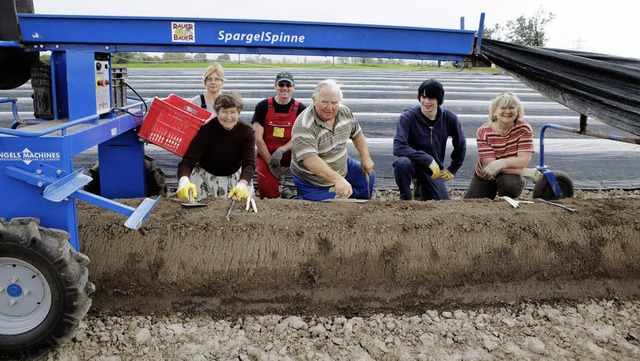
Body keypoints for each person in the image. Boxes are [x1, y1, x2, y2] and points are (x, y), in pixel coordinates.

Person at [290, 79, 375, 202]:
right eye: (324, 102)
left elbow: (357, 135)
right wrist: (338, 179)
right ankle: (299, 200)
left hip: (342, 164)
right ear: (314, 100)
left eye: (334, 102)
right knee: (328, 206)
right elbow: (310, 160)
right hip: (312, 179)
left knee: (368, 176)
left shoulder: (345, 112)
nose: (329, 108)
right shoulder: (304, 124)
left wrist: (365, 156)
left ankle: (356, 207)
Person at [393, 79, 466, 201]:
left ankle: (421, 188)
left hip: (434, 169)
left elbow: (461, 145)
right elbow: (398, 147)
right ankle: (405, 198)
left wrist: (453, 169)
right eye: (423, 97)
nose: (426, 101)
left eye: (431, 98)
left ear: (439, 100)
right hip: (412, 163)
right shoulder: (408, 117)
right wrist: (428, 159)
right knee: (402, 163)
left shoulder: (449, 118)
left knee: (442, 203)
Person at [176, 91, 256, 203]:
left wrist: (242, 184)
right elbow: (188, 161)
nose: (228, 117)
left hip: (233, 178)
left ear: (239, 113)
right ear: (217, 112)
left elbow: (249, 163)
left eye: (233, 112)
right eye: (224, 112)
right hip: (204, 177)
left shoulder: (247, 132)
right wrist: (184, 180)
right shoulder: (206, 130)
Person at [464, 92, 542, 200]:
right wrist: (524, 172)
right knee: (472, 203)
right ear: (494, 111)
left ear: (517, 111)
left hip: (510, 175)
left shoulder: (524, 129)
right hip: (486, 174)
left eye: (511, 108)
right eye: (503, 108)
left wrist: (501, 163)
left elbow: (524, 159)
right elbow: (490, 167)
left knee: (510, 185)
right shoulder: (484, 131)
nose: (508, 111)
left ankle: (505, 204)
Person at [251, 71, 307, 199]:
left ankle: (291, 191)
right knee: (267, 190)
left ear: (293, 87)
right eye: (281, 84)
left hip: (291, 154)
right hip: (267, 154)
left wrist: (282, 150)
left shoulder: (300, 109)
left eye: (288, 85)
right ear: (275, 86)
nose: (284, 88)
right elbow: (258, 138)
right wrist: (270, 162)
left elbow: (301, 137)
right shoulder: (263, 106)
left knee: (304, 184)